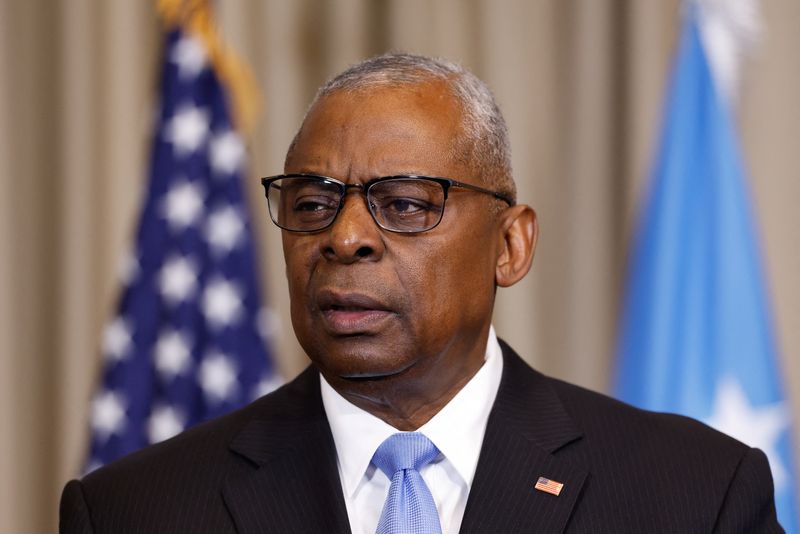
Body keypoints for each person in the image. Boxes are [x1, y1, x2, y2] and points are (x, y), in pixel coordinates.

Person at [59, 53, 782, 533]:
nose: (344, 238)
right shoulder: (134, 511)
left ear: (510, 246)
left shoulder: (696, 495)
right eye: (313, 204)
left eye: (403, 204)